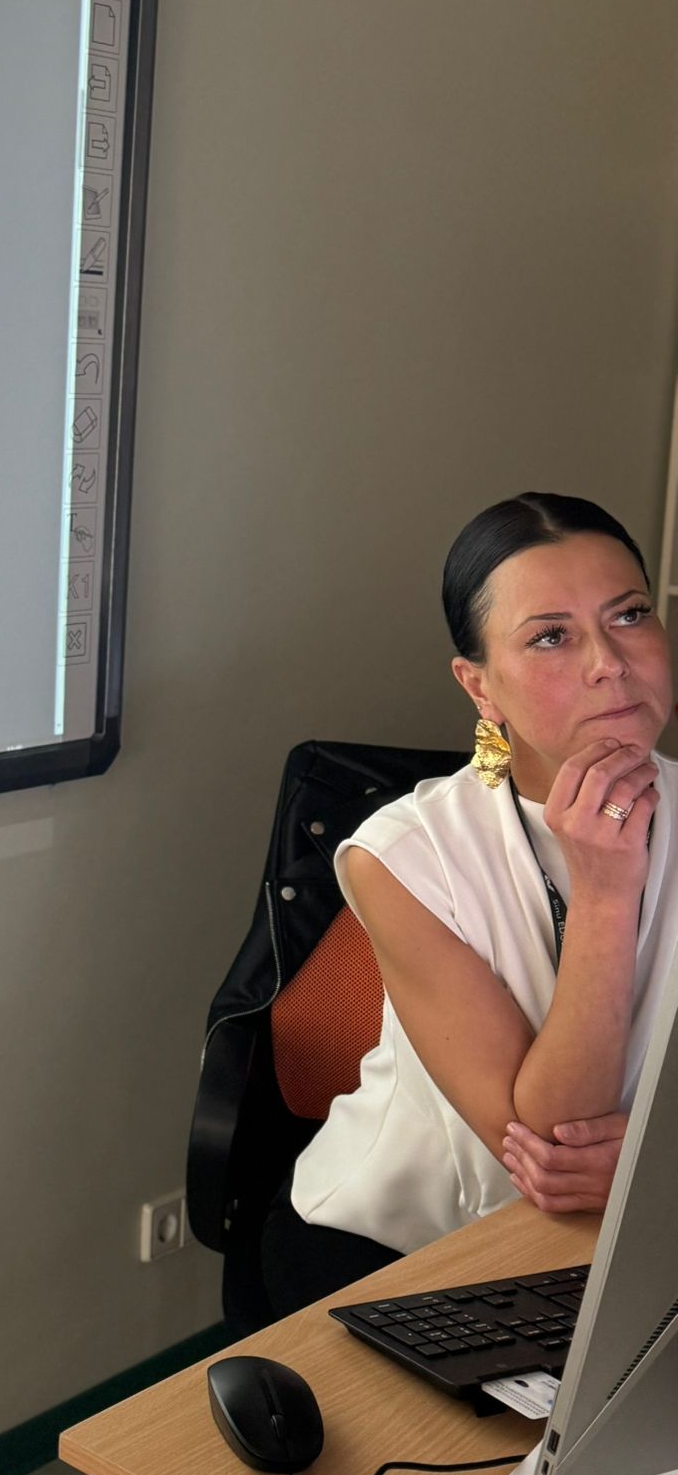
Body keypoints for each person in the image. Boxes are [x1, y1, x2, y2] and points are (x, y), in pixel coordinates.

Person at [261, 492, 676, 1318]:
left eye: (629, 615)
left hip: (639, 1228)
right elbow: (551, 1151)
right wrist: (605, 892)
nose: (609, 662)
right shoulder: (399, 856)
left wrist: (655, 1166)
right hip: (410, 1246)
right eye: (551, 636)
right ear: (480, 687)